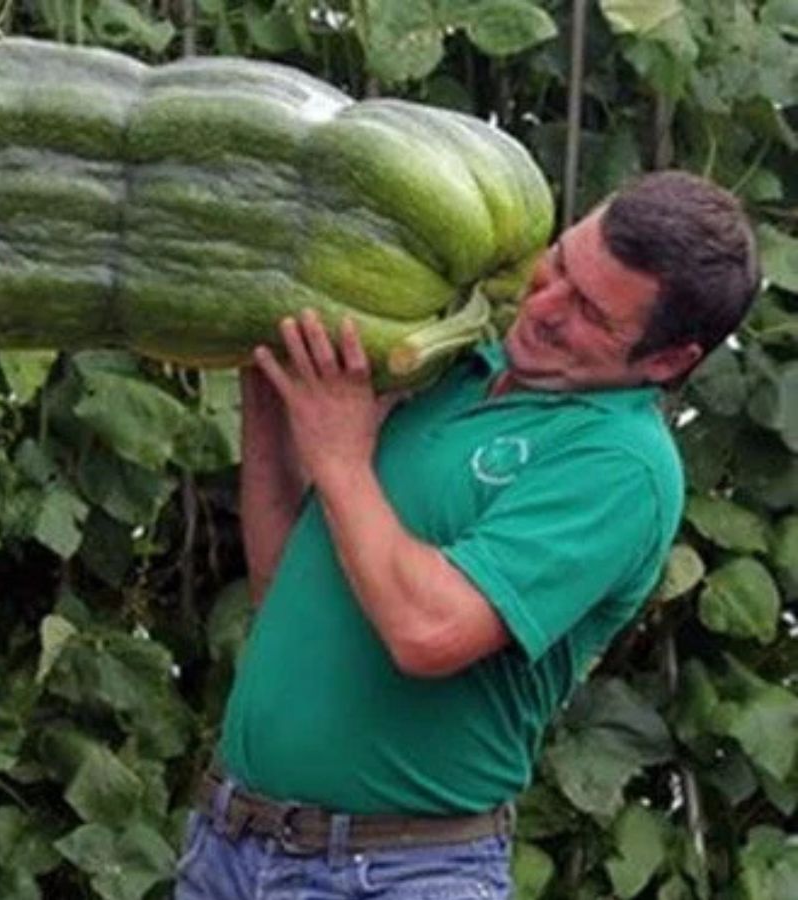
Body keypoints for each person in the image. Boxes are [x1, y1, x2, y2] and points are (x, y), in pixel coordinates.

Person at [179, 170, 761, 898]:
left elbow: (426, 632)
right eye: (559, 264)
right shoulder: (456, 372)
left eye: (590, 311)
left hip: (393, 875)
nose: (543, 307)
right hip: (230, 847)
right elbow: (286, 585)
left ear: (668, 360)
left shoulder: (620, 466)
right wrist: (268, 395)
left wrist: (340, 457)